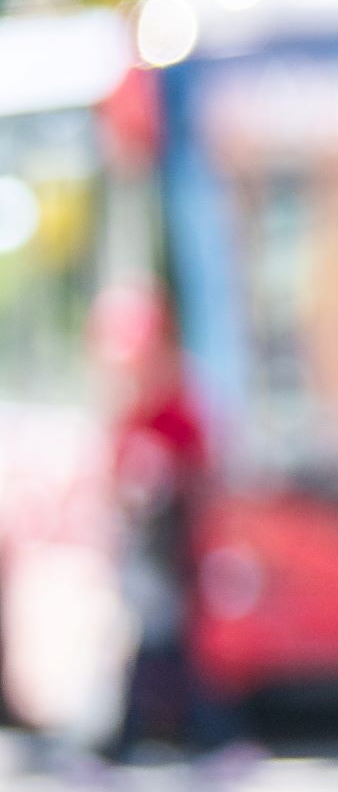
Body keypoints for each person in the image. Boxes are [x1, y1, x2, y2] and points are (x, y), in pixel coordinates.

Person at [99, 286, 229, 757]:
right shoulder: (131, 412)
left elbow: (204, 472)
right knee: (153, 639)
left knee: (171, 641)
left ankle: (198, 732)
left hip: (174, 543)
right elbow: (113, 477)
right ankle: (152, 731)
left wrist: (169, 481)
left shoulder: (181, 408)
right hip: (142, 546)